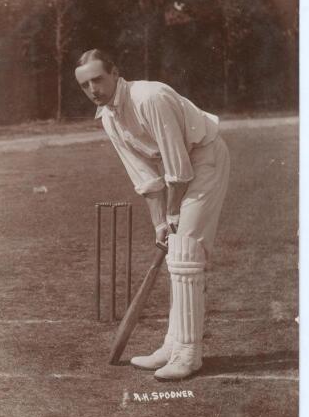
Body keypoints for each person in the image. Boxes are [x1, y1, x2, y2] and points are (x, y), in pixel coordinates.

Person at [75, 48, 230, 381]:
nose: (93, 90)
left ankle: (189, 354)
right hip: (182, 169)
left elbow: (178, 169)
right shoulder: (108, 117)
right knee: (176, 249)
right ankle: (172, 345)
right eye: (85, 85)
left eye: (97, 80)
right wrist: (160, 223)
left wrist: (173, 213)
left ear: (115, 72)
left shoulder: (149, 97)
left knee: (185, 249)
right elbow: (145, 177)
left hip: (205, 159)